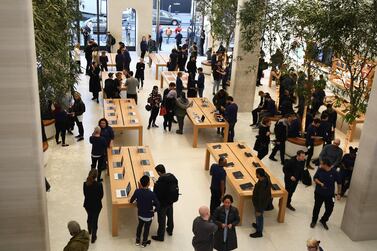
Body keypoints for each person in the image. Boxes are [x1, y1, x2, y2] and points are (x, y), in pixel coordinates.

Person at [310, 158, 342, 230]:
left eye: (321, 164)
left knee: (330, 209)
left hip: (330, 195)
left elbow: (339, 183)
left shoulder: (335, 172)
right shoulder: (320, 169)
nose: (320, 165)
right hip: (319, 193)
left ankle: (323, 220)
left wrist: (339, 193)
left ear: (326, 165)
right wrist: (320, 183)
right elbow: (315, 178)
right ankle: (314, 220)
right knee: (317, 207)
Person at [130, 175, 160, 248]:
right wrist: (154, 210)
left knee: (139, 226)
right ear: (148, 184)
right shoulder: (152, 194)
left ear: (140, 183)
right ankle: (144, 242)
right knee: (146, 229)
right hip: (148, 216)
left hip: (140, 214)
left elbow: (131, 201)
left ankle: (137, 240)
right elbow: (158, 205)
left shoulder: (137, 191)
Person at [152, 164, 179, 241]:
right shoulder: (172, 177)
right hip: (171, 201)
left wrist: (155, 184)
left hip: (163, 203)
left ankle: (160, 236)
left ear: (159, 172)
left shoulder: (161, 181)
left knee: (161, 220)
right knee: (170, 217)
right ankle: (170, 230)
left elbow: (156, 193)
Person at [83, 169, 103, 243]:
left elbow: (85, 194)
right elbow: (101, 196)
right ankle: (93, 238)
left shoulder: (85, 184)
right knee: (95, 220)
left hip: (87, 205)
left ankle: (90, 231)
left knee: (89, 217)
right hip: (97, 206)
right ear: (96, 176)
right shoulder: (99, 185)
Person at [250, 168, 272, 238]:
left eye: (256, 174)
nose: (255, 175)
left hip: (260, 205)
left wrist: (259, 209)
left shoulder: (262, 186)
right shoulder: (265, 177)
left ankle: (259, 232)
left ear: (259, 175)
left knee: (259, 216)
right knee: (258, 216)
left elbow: (261, 198)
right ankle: (258, 225)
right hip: (260, 203)